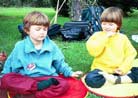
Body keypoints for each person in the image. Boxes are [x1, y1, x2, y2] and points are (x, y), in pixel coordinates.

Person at [0, 11, 87, 98]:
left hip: (47, 79)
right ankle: (35, 89)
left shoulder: (52, 46)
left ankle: (32, 95)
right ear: (27, 30)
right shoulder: (20, 46)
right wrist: (7, 77)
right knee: (6, 79)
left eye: (45, 29)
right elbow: (10, 64)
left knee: (63, 85)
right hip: (27, 79)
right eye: (38, 29)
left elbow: (60, 63)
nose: (42, 32)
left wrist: (70, 72)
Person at [84, 7, 138, 88]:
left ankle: (116, 80)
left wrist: (123, 68)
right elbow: (93, 51)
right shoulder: (97, 35)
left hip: (118, 70)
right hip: (102, 70)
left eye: (111, 24)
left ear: (118, 25)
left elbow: (131, 53)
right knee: (90, 79)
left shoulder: (122, 38)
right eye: (104, 24)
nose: (107, 27)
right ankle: (120, 80)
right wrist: (105, 38)